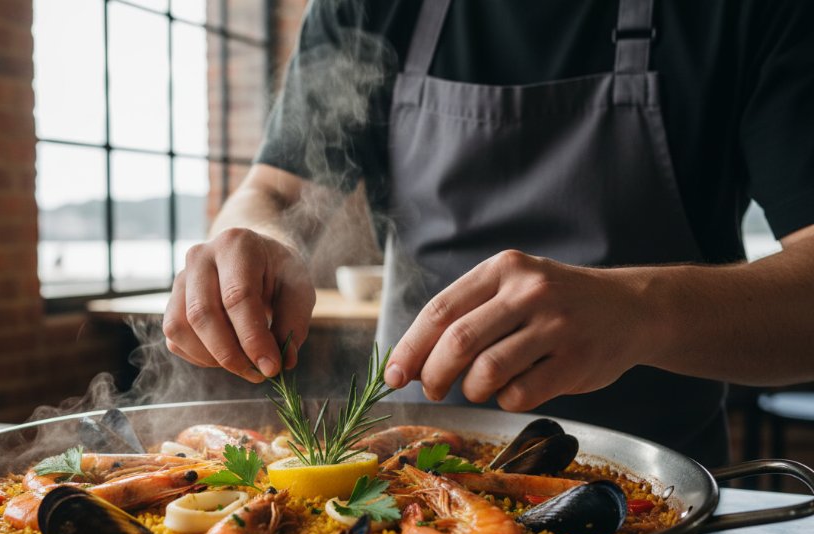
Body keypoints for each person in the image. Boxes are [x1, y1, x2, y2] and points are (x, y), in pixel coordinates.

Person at [162, 0, 814, 467]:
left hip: (654, 495)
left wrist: (641, 309)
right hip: (402, 476)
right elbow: (273, 192)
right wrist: (253, 239)